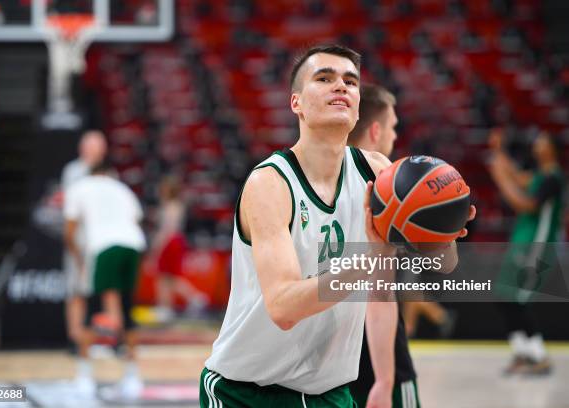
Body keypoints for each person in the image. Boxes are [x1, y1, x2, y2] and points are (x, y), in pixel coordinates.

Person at [200, 45, 473, 407]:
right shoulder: (270, 184)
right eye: (324, 78)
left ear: (358, 104)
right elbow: (283, 308)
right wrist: (370, 261)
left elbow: (443, 264)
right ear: (296, 102)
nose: (340, 86)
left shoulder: (378, 173)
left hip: (330, 393)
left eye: (350, 81)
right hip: (247, 393)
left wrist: (443, 230)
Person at [346, 84, 419, 407]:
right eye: (392, 127)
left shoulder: (314, 183)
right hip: (379, 354)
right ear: (376, 131)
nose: (394, 136)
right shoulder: (393, 192)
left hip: (328, 363)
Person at [64, 158, 146, 398]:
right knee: (127, 309)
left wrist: (79, 259)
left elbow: (69, 231)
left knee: (94, 310)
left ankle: (84, 376)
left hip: (103, 248)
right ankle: (132, 377)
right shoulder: (122, 188)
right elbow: (135, 220)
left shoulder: (79, 187)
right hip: (133, 245)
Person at [488, 128, 564, 375]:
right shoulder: (540, 176)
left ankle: (539, 356)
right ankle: (523, 353)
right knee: (504, 297)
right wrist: (498, 151)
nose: (536, 143)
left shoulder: (554, 178)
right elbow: (518, 176)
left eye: (543, 140)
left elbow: (526, 205)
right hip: (523, 242)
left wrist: (500, 178)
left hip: (537, 247)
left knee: (518, 299)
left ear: (553, 149)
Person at [61, 130, 107, 348]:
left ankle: (100, 339)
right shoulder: (73, 171)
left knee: (103, 291)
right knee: (75, 290)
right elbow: (71, 208)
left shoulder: (107, 173)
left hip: (102, 240)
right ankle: (75, 339)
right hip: (80, 239)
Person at [148, 175, 208, 322]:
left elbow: (166, 230)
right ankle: (193, 298)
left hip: (170, 241)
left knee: (163, 277)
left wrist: (156, 250)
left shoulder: (169, 207)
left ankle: (165, 308)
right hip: (177, 241)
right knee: (170, 277)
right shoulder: (177, 205)